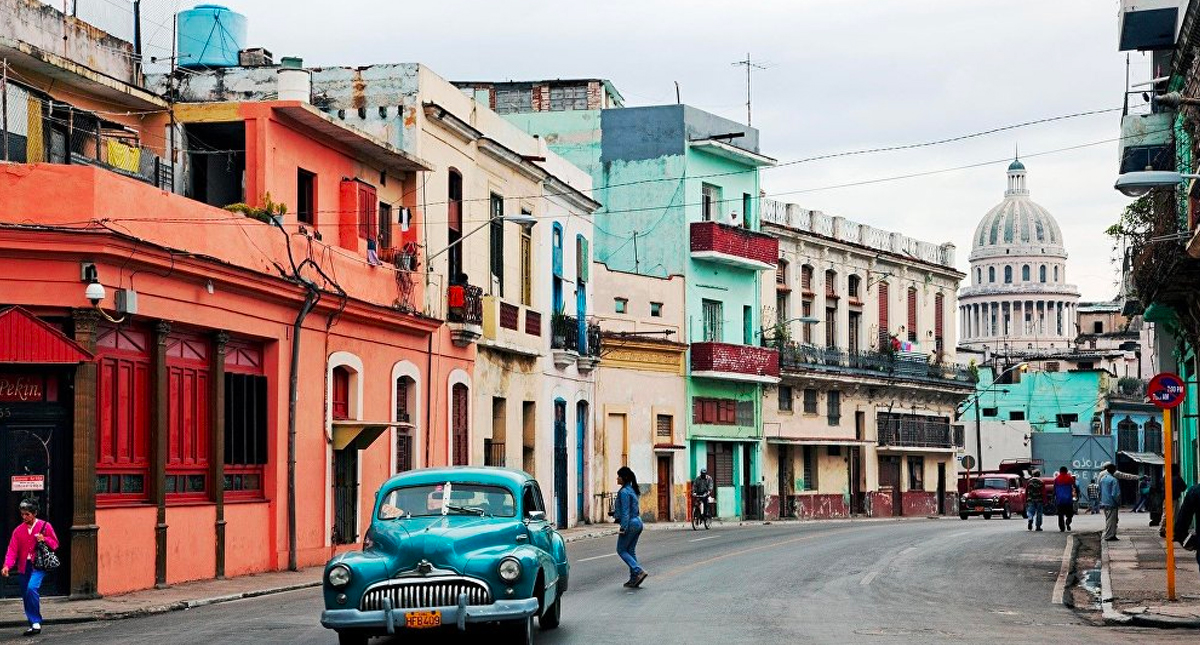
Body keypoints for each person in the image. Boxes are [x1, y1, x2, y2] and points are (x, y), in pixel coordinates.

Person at [2, 499, 59, 637]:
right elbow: (12, 550)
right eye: (22, 514)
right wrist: (7, 566)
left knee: (31, 588)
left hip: (38, 565)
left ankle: (36, 621)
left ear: (34, 514)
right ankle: (33, 623)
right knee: (26, 595)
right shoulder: (18, 531)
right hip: (23, 566)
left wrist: (44, 539)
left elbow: (55, 544)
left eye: (27, 514)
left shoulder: (45, 526)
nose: (24, 517)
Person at [614, 466, 647, 588]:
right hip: (638, 522)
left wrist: (623, 527)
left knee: (621, 550)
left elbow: (626, 512)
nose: (617, 478)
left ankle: (638, 571)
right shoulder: (631, 490)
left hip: (630, 523)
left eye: (619, 476)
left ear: (624, 478)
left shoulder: (623, 492)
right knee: (630, 550)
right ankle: (634, 578)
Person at [1100, 463, 1123, 541]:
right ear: (1113, 470)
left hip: (1104, 502)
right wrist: (1118, 502)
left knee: (1108, 519)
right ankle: (1109, 536)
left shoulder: (1103, 479)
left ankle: (1111, 534)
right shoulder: (1113, 480)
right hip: (1112, 503)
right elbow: (1115, 494)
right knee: (1112, 521)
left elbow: (1100, 490)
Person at [1053, 466, 1076, 532]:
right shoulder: (1070, 478)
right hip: (1068, 500)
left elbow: (1054, 489)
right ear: (1066, 471)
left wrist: (1053, 497)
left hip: (1060, 500)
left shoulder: (1057, 479)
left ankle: (1062, 528)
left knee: (1060, 515)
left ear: (1060, 471)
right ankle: (1068, 522)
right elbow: (1074, 487)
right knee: (1070, 514)